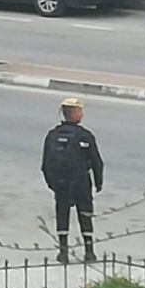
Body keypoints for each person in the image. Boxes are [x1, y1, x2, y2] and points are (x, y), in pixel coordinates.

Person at [41, 97, 104, 264]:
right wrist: (99, 182)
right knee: (85, 214)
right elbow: (97, 161)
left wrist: (53, 184)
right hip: (81, 181)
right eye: (80, 110)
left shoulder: (52, 135)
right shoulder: (85, 135)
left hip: (61, 183)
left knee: (62, 214)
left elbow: (45, 163)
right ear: (75, 113)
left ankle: (63, 252)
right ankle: (89, 252)